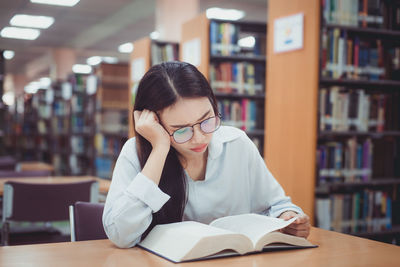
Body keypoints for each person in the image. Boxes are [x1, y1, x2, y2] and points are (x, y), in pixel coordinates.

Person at [102, 61, 310, 248]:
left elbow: (277, 204)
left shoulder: (237, 144)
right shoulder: (136, 152)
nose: (200, 137)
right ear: (155, 124)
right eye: (182, 130)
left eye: (207, 120)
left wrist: (288, 217)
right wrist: (159, 150)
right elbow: (121, 235)